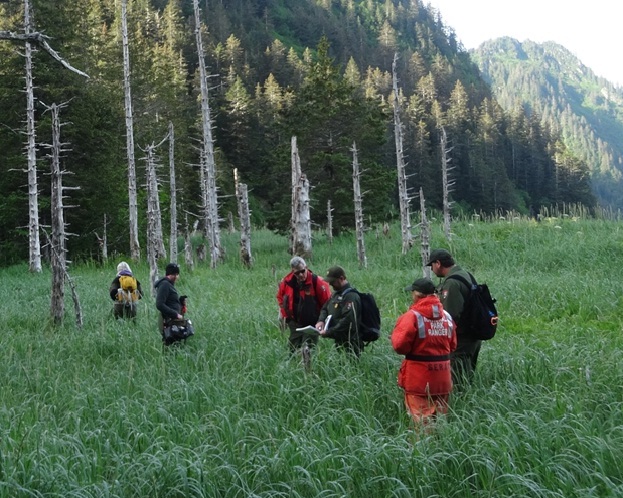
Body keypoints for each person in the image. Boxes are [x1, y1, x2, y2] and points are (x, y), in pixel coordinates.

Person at [391, 278, 456, 428]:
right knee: (440, 422)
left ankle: (423, 451)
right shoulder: (447, 316)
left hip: (418, 378)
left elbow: (399, 346)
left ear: (417, 295)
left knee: (421, 423)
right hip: (443, 377)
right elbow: (452, 345)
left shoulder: (412, 316)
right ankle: (443, 449)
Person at [427, 248, 481, 385]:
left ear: (438, 263)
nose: (432, 270)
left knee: (457, 381)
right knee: (467, 377)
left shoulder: (451, 283)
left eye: (432, 265)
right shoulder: (465, 274)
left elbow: (450, 315)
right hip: (474, 335)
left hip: (462, 339)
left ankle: (460, 405)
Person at [276, 256, 332, 352]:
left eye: (302, 271)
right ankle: (294, 365)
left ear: (306, 267)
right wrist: (287, 317)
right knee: (292, 350)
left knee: (309, 350)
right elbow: (280, 299)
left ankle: (309, 366)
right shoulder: (287, 282)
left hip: (312, 324)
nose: (301, 275)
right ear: (292, 271)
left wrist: (322, 321)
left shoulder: (317, 282)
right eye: (297, 273)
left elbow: (327, 303)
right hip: (294, 323)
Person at [316, 266, 363, 357]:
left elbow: (348, 320)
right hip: (339, 340)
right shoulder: (335, 294)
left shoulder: (351, 296)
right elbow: (325, 308)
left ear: (341, 278)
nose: (330, 285)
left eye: (332, 282)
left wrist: (329, 332)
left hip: (350, 342)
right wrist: (321, 320)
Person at [155, 262, 183, 340]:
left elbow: (169, 302)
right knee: (170, 344)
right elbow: (159, 304)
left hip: (173, 321)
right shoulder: (165, 285)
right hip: (168, 321)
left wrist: (180, 303)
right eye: (174, 274)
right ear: (169, 274)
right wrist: (175, 314)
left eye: (177, 274)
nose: (176, 277)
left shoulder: (169, 285)